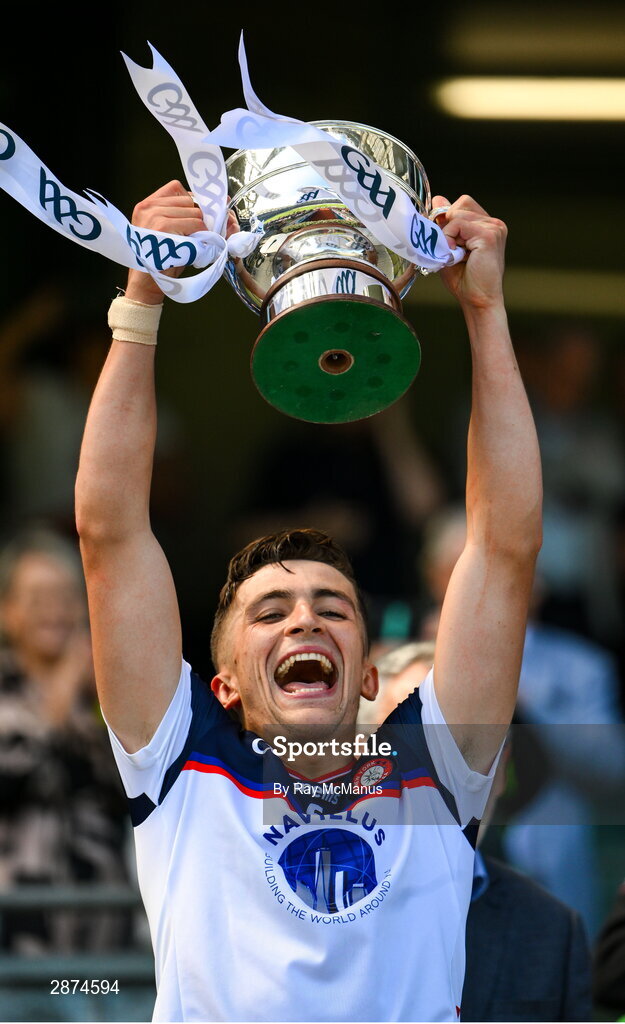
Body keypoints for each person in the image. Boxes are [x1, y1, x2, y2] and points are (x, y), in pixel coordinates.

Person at [74, 181, 542, 1022]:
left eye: (332, 607)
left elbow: (502, 552)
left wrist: (485, 312)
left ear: (369, 675)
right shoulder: (182, 764)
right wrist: (141, 295)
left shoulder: (431, 772)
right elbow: (109, 535)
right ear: (218, 685)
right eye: (270, 612)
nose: (304, 620)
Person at [373, 643, 592, 1022]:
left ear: (502, 767)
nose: (448, 771)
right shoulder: (304, 899)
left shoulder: (551, 930)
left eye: (467, 746)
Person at [0, 528, 129, 954]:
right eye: (38, 599)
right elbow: (15, 777)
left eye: (65, 597)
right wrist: (61, 692)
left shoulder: (104, 695)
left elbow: (140, 788)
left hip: (107, 936)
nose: (54, 611)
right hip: (19, 940)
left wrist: (104, 703)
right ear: (7, 611)